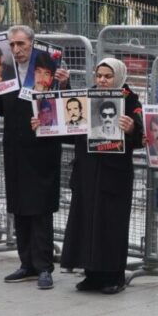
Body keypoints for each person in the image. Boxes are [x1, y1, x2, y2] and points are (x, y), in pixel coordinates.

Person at [0, 24, 70, 290]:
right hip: (15, 148)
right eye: (12, 45)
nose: (17, 49)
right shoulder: (5, 73)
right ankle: (26, 263)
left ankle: (44, 267)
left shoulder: (48, 70)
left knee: (41, 209)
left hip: (42, 149)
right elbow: (1, 108)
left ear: (33, 44)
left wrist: (65, 84)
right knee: (19, 207)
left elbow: (65, 107)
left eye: (21, 44)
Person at [57, 58, 143, 295]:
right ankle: (91, 274)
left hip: (114, 174)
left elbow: (141, 138)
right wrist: (46, 124)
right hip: (86, 171)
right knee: (86, 221)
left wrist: (131, 129)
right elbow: (69, 130)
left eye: (108, 76)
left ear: (119, 77)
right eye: (99, 75)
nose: (102, 80)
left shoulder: (130, 100)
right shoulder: (86, 98)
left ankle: (114, 276)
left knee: (111, 224)